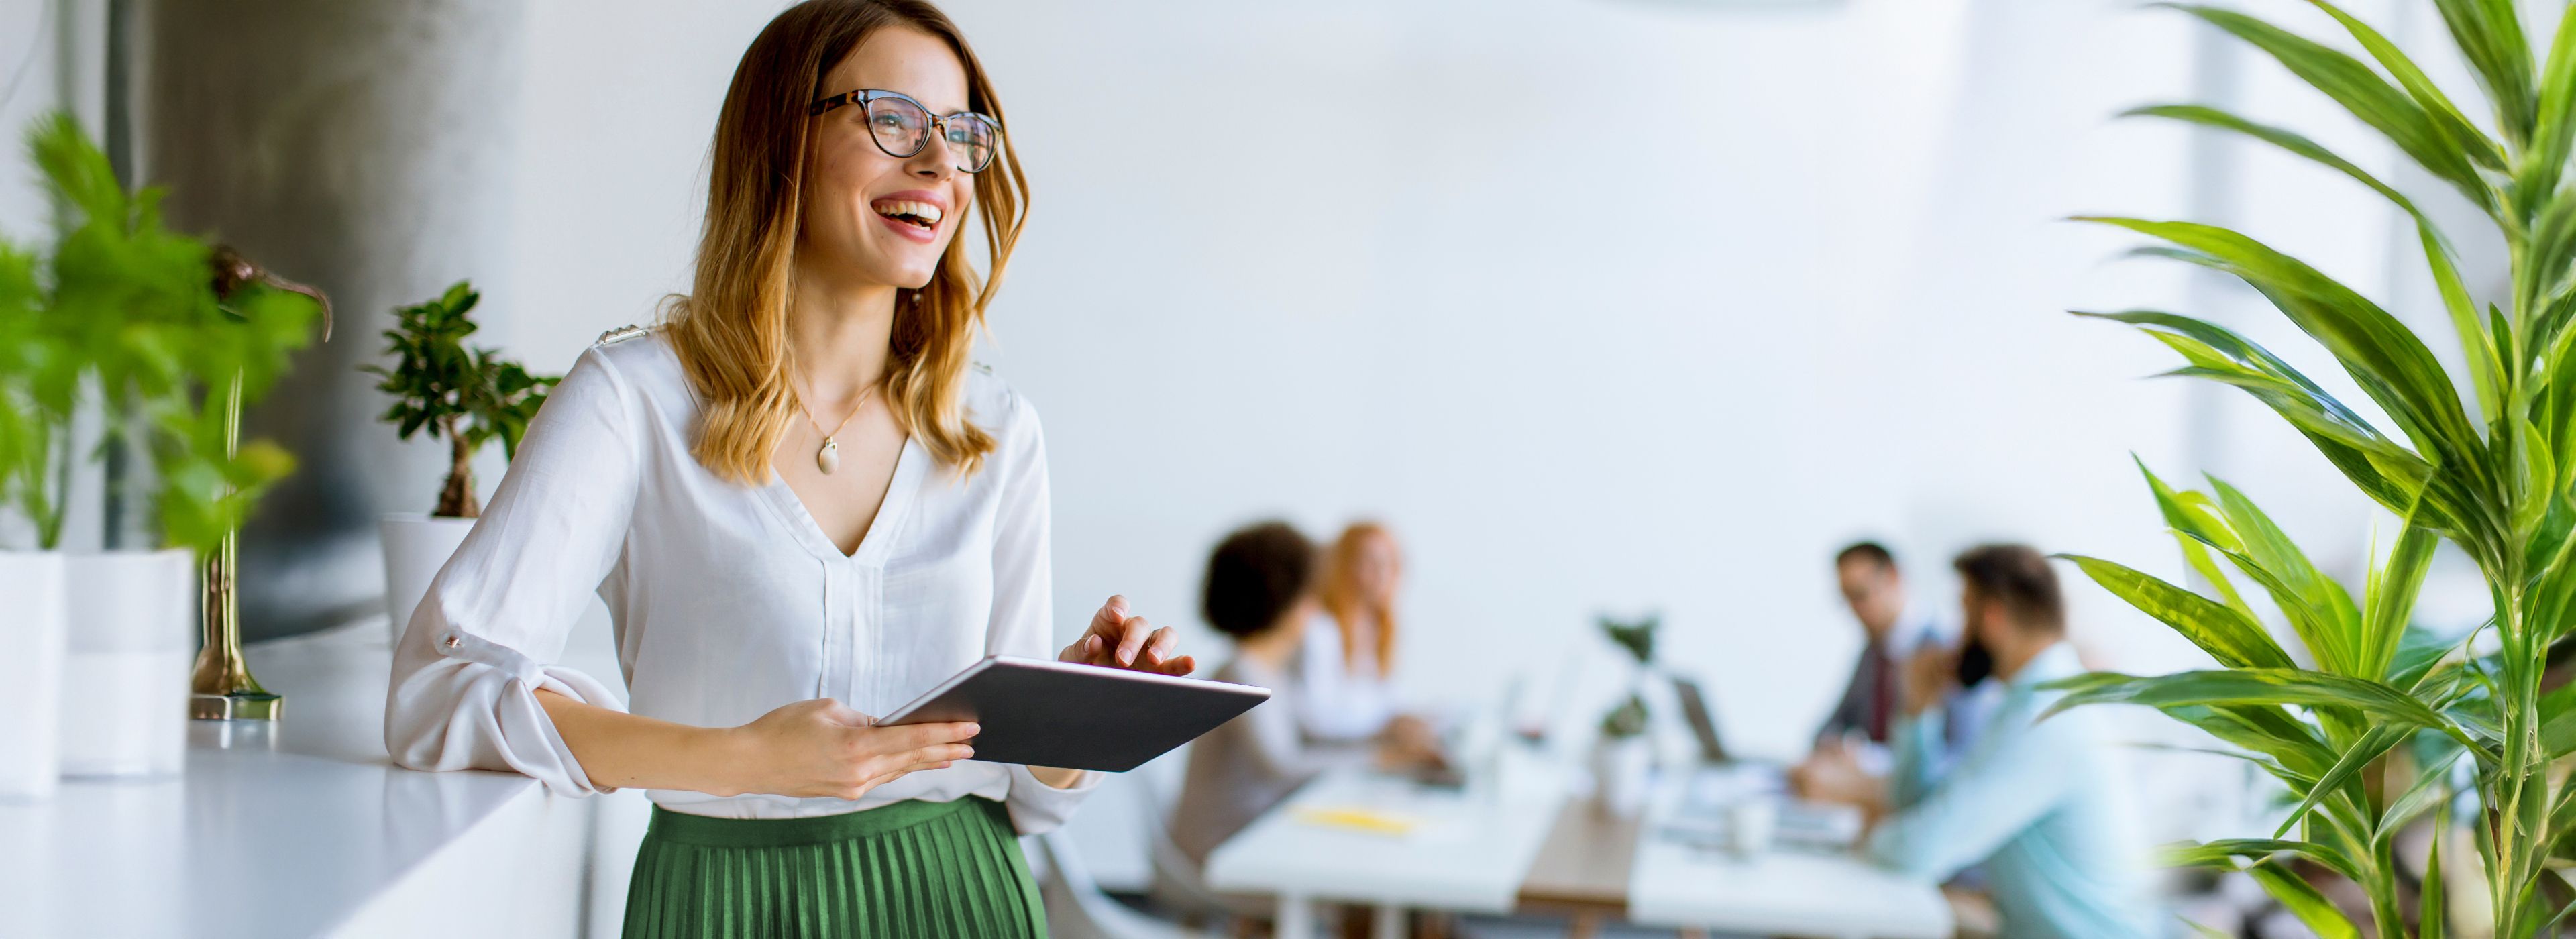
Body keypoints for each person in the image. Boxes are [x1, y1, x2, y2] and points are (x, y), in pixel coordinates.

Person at [383, 3, 1193, 934]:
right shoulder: (633, 402)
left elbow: (1029, 801)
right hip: (723, 902)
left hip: (962, 894)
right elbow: (435, 694)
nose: (939, 164)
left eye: (963, 135)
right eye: (894, 118)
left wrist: (1073, 714)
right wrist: (742, 758)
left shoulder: (995, 431)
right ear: (783, 138)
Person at [1794, 545, 2153, 939]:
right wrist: (1917, 713)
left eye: (1964, 611)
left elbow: (1918, 850)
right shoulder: (2022, 703)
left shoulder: (2047, 719)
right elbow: (1915, 807)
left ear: (1993, 617)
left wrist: (1867, 838)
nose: (1957, 634)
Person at [1165, 522, 1434, 884]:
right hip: (1218, 858)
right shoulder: (1241, 672)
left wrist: (1384, 740)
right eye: (1313, 597)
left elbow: (1309, 738)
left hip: (1248, 842)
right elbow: (1284, 766)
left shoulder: (1271, 671)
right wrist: (1380, 756)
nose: (1319, 609)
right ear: (1287, 601)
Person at [1292, 522, 1438, 755]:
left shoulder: (1382, 628)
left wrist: (1407, 721)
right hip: (1330, 762)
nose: (1381, 572)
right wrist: (1385, 728)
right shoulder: (1321, 631)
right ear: (1344, 567)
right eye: (1369, 561)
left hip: (1366, 755)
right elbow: (1318, 720)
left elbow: (1390, 698)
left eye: (1389, 562)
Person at [1813, 541, 1955, 749]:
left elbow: (1961, 751)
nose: (1855, 610)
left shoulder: (1943, 649)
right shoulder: (1873, 653)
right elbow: (1831, 726)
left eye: (1860, 595)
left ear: (1893, 577)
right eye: (1847, 599)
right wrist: (1835, 749)